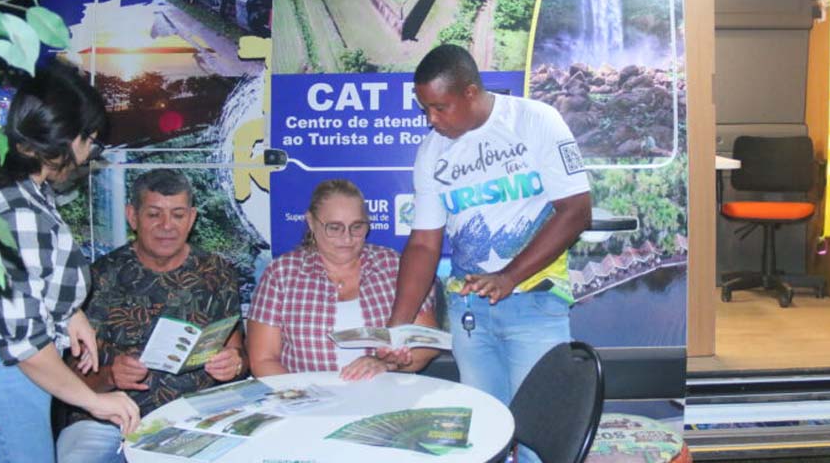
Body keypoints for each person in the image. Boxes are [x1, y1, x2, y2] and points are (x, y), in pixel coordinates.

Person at [387, 44, 591, 462]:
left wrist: (509, 276)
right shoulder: (432, 152)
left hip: (535, 304)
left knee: (540, 440)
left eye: (439, 107)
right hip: (469, 313)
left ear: (470, 92)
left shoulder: (534, 121)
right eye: (425, 108)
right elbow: (424, 243)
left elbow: (576, 212)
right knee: (482, 438)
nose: (432, 119)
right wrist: (396, 328)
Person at [0, 62, 140, 463]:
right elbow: (25, 345)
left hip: (12, 368)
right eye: (91, 141)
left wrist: (68, 314)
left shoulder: (24, 188)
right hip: (5, 372)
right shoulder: (17, 209)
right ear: (70, 138)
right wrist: (94, 401)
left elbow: (31, 280)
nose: (88, 155)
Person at [56, 169, 246, 463]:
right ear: (132, 215)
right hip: (108, 418)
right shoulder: (97, 279)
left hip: (197, 416)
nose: (167, 226)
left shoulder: (217, 273)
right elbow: (65, 381)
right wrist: (109, 375)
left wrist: (233, 364)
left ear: (192, 218)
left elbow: (237, 351)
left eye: (178, 215)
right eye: (154, 214)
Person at [247, 179, 437, 381]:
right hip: (306, 404)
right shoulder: (281, 274)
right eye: (334, 228)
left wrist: (385, 364)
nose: (347, 238)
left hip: (385, 401)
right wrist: (304, 399)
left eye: (357, 227)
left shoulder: (395, 267)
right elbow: (263, 360)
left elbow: (427, 345)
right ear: (311, 222)